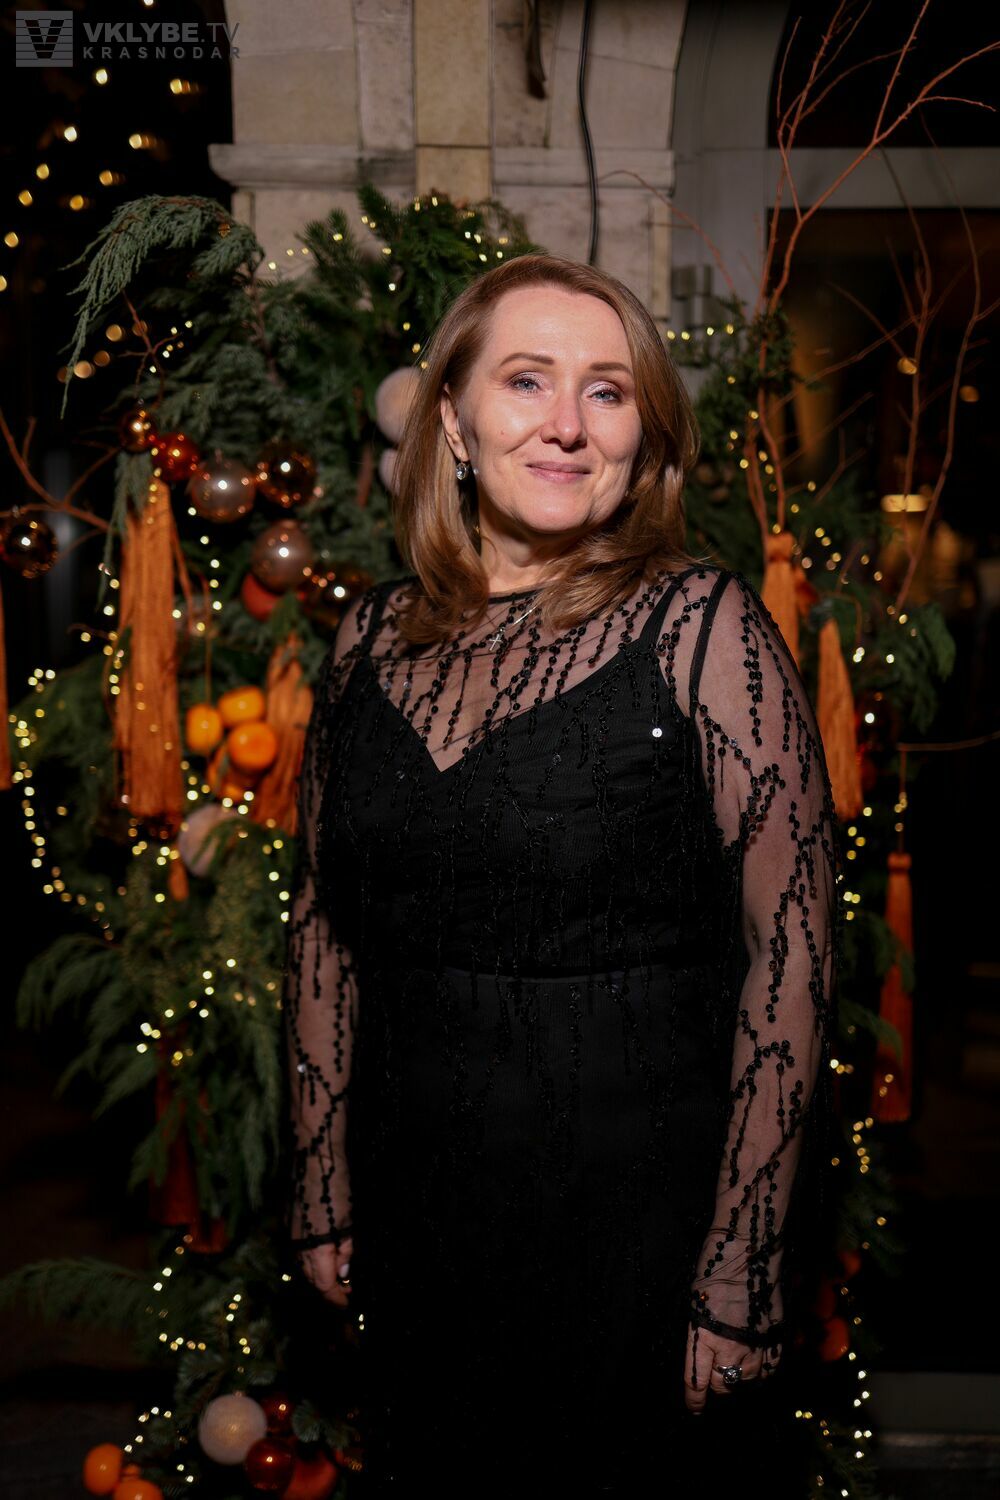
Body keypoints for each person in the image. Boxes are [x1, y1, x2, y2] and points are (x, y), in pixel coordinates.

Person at [282, 253, 841, 1495]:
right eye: (527, 380)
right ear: (453, 422)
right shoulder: (365, 639)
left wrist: (742, 1262)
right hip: (417, 1214)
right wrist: (320, 1185)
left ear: (643, 438)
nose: (567, 425)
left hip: (642, 1225)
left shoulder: (703, 629)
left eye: (607, 390)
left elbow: (794, 951)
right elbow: (323, 925)